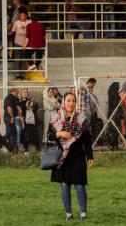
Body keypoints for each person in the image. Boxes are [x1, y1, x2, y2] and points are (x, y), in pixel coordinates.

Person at [48, 92, 94, 221]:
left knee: (79, 185)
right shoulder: (54, 118)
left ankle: (83, 213)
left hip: (78, 156)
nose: (71, 103)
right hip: (62, 157)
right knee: (64, 185)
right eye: (68, 100)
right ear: (63, 102)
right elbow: (49, 136)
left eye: (73, 101)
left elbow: (87, 140)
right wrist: (59, 133)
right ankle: (68, 213)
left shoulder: (82, 119)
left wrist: (90, 156)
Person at [3, 87, 21, 153]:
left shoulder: (14, 98)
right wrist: (12, 117)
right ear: (14, 91)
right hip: (9, 118)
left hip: (12, 117)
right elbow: (9, 108)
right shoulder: (9, 97)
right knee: (8, 133)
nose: (18, 92)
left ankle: (14, 149)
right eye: (17, 90)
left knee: (15, 134)